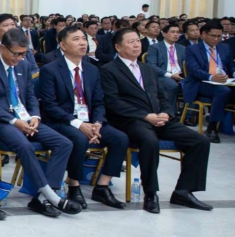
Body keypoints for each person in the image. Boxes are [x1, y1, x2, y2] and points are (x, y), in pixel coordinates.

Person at [101, 28, 211, 213]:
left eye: (138, 41)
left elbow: (162, 95)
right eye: (130, 42)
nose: (136, 45)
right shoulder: (109, 70)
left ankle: (183, 191)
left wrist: (166, 113)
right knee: (150, 141)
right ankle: (151, 193)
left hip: (159, 118)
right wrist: (146, 116)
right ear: (118, 47)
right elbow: (113, 102)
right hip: (131, 120)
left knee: (200, 141)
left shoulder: (147, 69)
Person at [0, 29, 75, 217]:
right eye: (16, 54)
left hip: (25, 118)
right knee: (24, 145)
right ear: (3, 48)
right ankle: (50, 195)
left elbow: (30, 96)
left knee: (64, 143)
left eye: (23, 54)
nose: (19, 58)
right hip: (0, 121)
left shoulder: (24, 66)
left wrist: (35, 116)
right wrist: (14, 121)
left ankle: (41, 199)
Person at [39, 25, 128, 209]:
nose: (82, 43)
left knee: (120, 138)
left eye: (83, 39)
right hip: (62, 120)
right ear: (63, 45)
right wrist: (79, 124)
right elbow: (50, 105)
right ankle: (74, 185)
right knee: (79, 138)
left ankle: (102, 186)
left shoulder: (92, 70)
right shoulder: (50, 69)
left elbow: (99, 101)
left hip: (89, 120)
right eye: (76, 39)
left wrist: (97, 123)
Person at [183, 20, 235, 144]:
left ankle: (225, 123)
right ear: (204, 34)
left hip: (224, 80)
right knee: (223, 91)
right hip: (201, 82)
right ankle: (212, 127)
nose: (216, 39)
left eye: (219, 36)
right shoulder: (192, 49)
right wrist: (211, 77)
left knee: (225, 90)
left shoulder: (224, 47)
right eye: (213, 36)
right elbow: (194, 71)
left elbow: (230, 66)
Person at [146, 23, 185, 112]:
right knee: (172, 86)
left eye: (177, 32)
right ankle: (170, 113)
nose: (176, 34)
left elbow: (187, 65)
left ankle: (188, 114)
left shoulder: (182, 48)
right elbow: (151, 66)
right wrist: (170, 75)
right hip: (163, 75)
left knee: (195, 84)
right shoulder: (154, 47)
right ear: (164, 34)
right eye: (172, 32)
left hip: (180, 75)